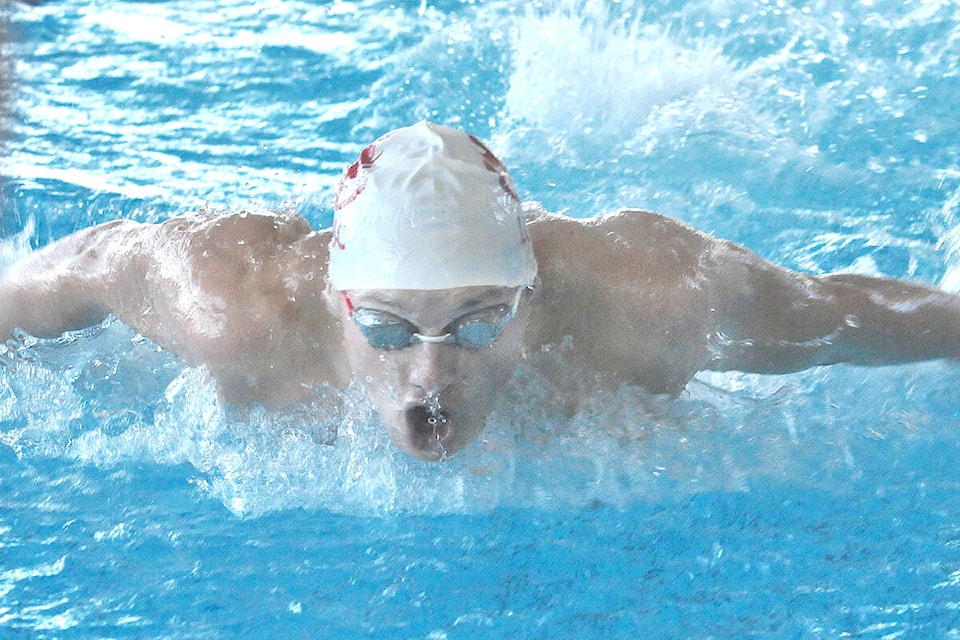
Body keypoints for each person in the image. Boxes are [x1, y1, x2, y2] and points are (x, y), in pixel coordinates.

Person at [2, 121, 959, 460]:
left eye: (478, 321)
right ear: (338, 301)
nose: (430, 371)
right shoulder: (228, 303)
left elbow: (840, 314)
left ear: (531, 291)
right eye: (386, 327)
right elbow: (63, 273)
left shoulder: (656, 297)